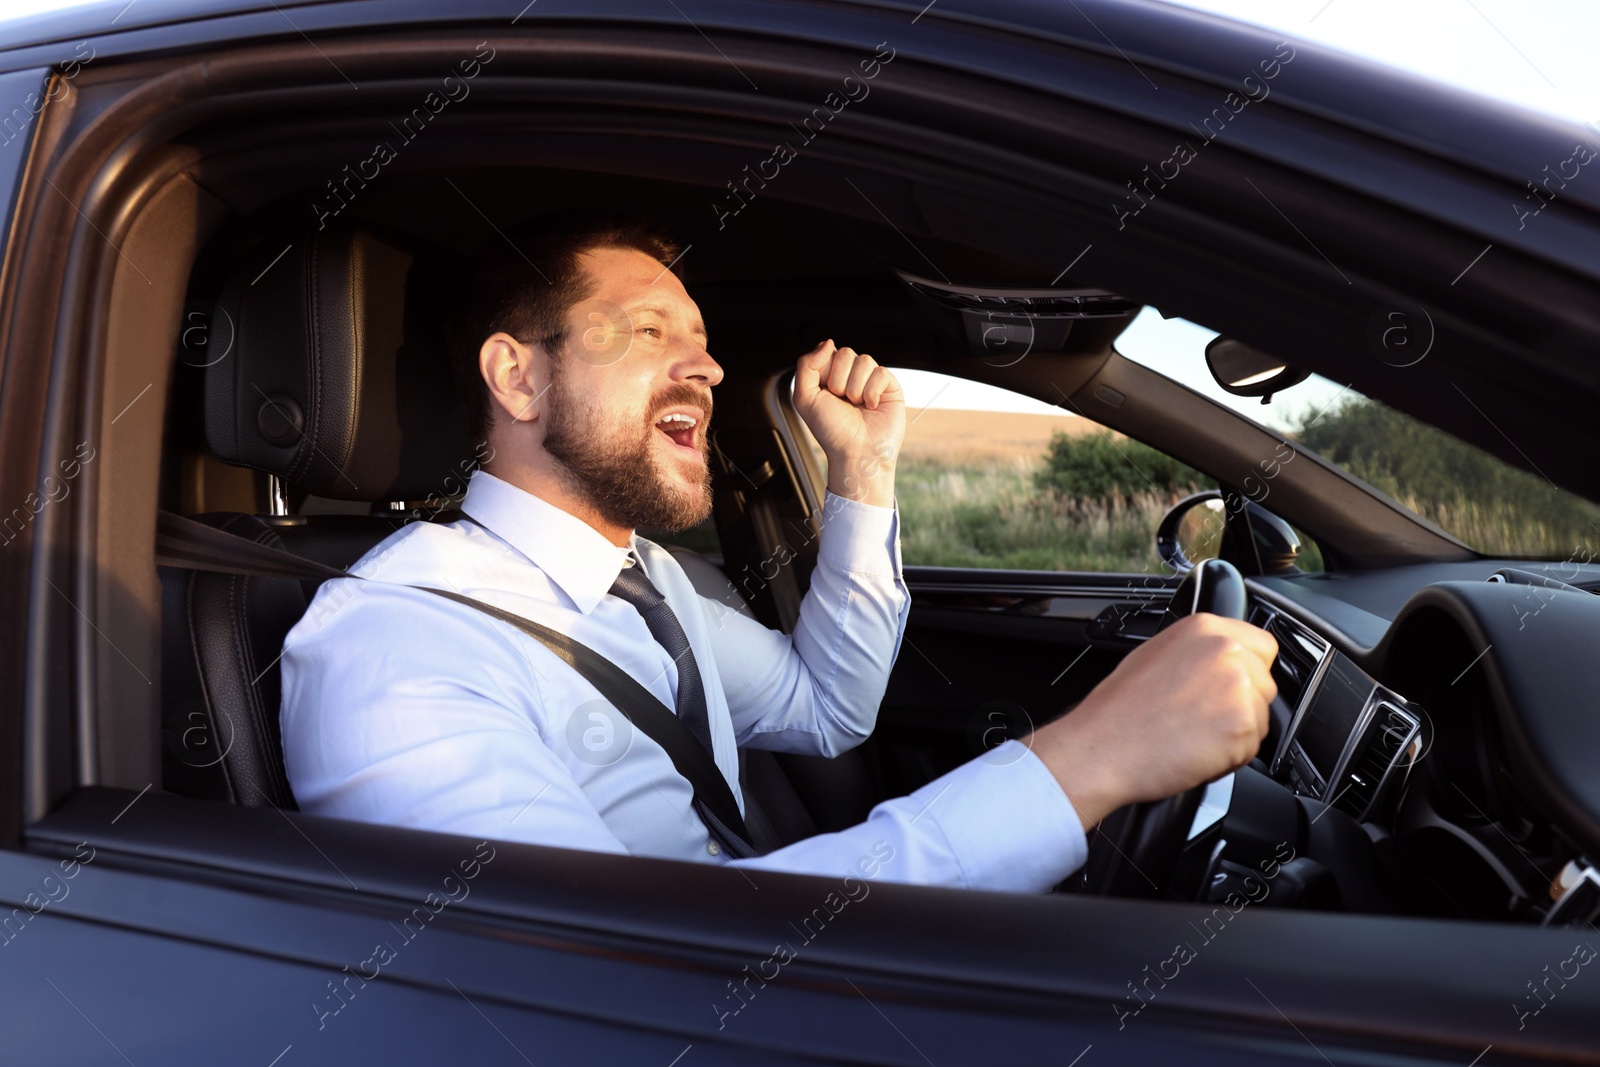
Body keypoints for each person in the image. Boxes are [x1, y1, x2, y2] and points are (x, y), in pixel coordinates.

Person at [279, 211, 1278, 893]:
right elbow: (620, 974)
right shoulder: (397, 643)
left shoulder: (654, 584)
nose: (706, 364)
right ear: (518, 376)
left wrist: (862, 471)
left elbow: (828, 709)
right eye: (645, 329)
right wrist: (1085, 759)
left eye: (703, 337)